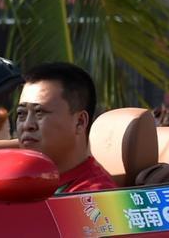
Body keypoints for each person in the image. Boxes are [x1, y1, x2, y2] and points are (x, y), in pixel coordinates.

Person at [16, 63, 116, 193]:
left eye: (40, 112)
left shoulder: (93, 198)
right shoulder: (23, 181)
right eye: (21, 113)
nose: (27, 125)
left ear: (80, 122)